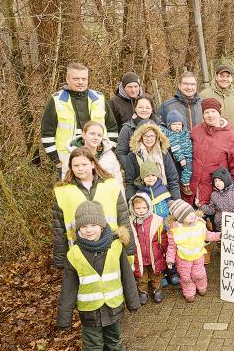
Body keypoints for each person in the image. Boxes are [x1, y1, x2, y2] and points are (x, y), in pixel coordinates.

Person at [56, 201, 139, 350]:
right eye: (84, 226)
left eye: (93, 225)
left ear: (102, 226)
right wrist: (64, 318)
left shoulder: (116, 247)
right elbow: (68, 288)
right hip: (89, 312)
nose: (89, 230)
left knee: (114, 343)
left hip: (113, 308)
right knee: (93, 346)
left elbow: (127, 277)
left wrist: (133, 302)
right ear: (78, 228)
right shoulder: (74, 254)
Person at [52, 147, 134, 269]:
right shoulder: (62, 192)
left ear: (92, 164)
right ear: (71, 167)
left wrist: (130, 251)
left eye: (84, 164)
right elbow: (58, 230)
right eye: (76, 165)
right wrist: (61, 260)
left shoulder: (111, 185)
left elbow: (124, 219)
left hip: (110, 247)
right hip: (79, 250)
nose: (80, 168)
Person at [41, 62, 118, 174]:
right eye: (76, 79)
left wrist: (109, 151)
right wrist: (56, 160)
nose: (80, 82)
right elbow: (47, 134)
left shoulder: (99, 98)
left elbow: (112, 127)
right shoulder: (57, 101)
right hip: (68, 161)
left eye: (84, 79)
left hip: (99, 160)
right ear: (67, 79)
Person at [189, 98, 234, 206]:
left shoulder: (230, 137)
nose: (210, 115)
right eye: (206, 112)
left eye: (213, 111)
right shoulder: (196, 131)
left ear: (219, 113)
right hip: (194, 190)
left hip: (216, 191)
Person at [166, 199, 220, 302]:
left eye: (191, 212)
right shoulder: (175, 230)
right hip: (183, 258)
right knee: (185, 277)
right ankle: (189, 292)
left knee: (199, 274)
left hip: (198, 255)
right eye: (186, 215)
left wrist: (219, 236)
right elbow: (172, 246)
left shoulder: (199, 224)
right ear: (180, 218)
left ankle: (202, 287)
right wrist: (170, 259)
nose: (191, 215)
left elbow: (208, 235)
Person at [64, 121, 124, 196]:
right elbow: (65, 183)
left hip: (105, 199)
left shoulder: (109, 155)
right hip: (80, 199)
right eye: (92, 134)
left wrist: (122, 205)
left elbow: (118, 182)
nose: (96, 138)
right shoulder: (72, 155)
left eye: (99, 135)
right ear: (83, 134)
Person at [123, 123, 180, 201]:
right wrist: (132, 202)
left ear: (157, 137)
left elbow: (173, 179)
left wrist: (176, 200)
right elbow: (130, 183)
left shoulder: (164, 154)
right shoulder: (132, 156)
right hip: (142, 199)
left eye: (152, 136)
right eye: (145, 136)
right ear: (140, 137)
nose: (149, 139)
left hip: (163, 196)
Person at [128, 193, 167, 304]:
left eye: (144, 208)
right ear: (132, 208)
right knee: (141, 276)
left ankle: (157, 290)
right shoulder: (130, 222)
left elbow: (163, 236)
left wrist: (165, 250)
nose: (141, 210)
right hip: (138, 255)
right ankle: (142, 292)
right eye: (138, 208)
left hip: (155, 254)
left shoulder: (157, 220)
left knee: (156, 274)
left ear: (149, 206)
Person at [199, 65, 234, 139]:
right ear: (216, 77)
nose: (225, 79)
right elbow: (200, 118)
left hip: (233, 140)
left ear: (231, 79)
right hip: (211, 140)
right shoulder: (204, 95)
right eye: (222, 76)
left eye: (228, 76)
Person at [200, 167, 234, 231]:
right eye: (215, 181)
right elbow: (211, 210)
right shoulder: (214, 195)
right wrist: (201, 205)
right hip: (220, 228)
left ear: (226, 179)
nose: (217, 183)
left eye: (220, 180)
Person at [116, 94, 162, 165]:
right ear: (135, 109)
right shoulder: (127, 128)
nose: (144, 110)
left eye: (147, 108)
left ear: (152, 109)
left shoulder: (160, 126)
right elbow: (121, 153)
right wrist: (130, 169)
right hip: (136, 170)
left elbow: (165, 150)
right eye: (140, 107)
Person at [162, 110, 194, 195]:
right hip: (182, 157)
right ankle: (185, 184)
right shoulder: (172, 136)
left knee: (190, 169)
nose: (177, 127)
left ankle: (185, 183)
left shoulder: (185, 132)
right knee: (187, 169)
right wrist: (181, 159)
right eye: (174, 124)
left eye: (179, 124)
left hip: (189, 155)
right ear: (169, 126)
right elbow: (175, 149)